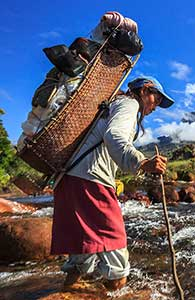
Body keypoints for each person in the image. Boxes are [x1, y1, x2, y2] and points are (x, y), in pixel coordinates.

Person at [50, 76, 174, 291]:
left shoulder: (111, 104)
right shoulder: (129, 104)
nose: (157, 106)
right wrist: (143, 162)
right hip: (91, 182)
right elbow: (115, 136)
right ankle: (116, 292)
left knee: (81, 252)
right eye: (157, 98)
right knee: (116, 258)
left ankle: (66, 292)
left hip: (68, 180)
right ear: (145, 90)